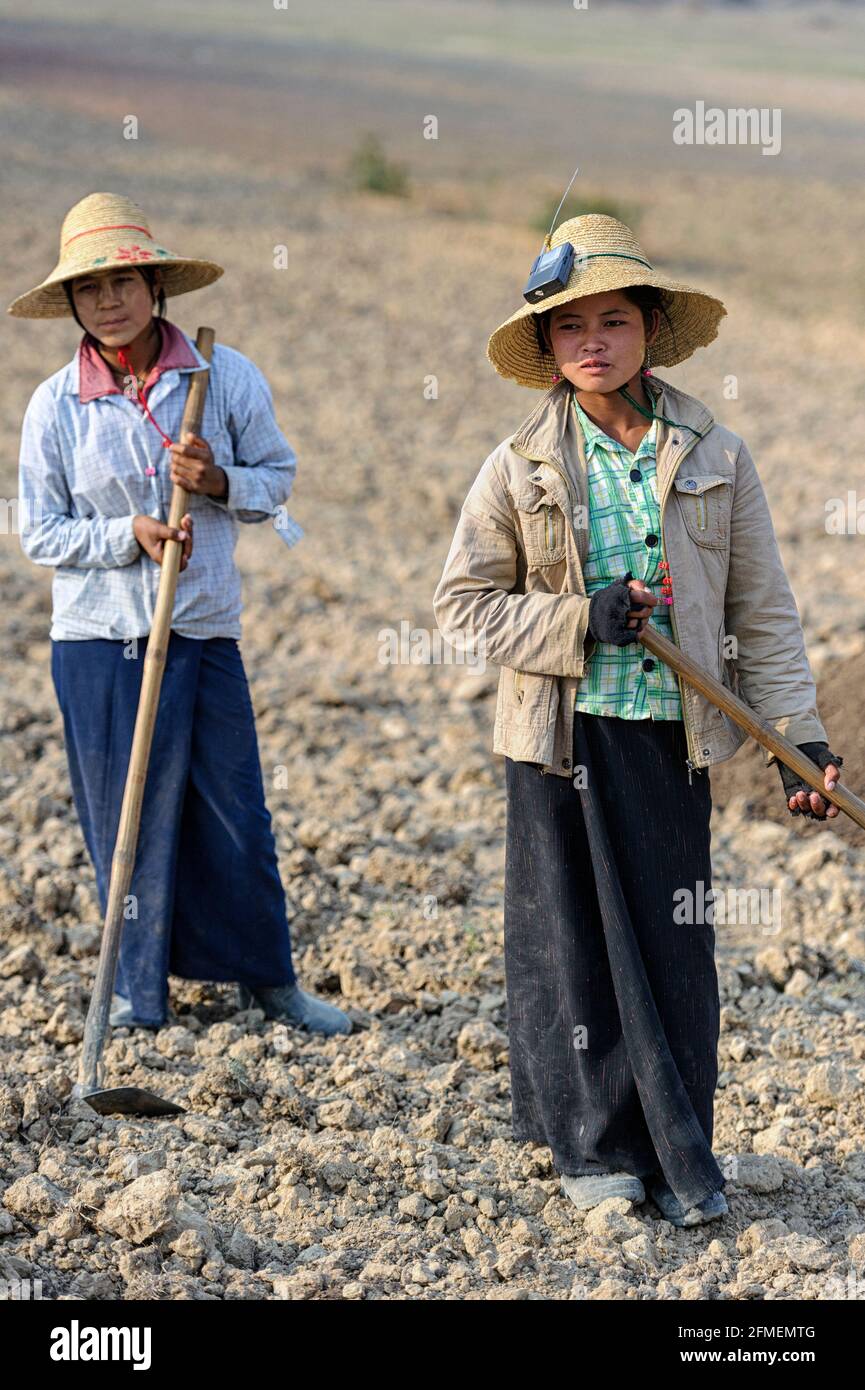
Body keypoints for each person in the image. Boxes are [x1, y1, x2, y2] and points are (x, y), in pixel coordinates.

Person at [432, 213, 843, 1226]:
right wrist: (583, 617)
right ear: (547, 347)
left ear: (650, 329)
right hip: (560, 744)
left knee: (672, 946)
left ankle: (677, 1152)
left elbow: (762, 610)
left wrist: (803, 739)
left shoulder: (713, 453)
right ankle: (592, 1151)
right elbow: (462, 605)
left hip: (671, 739)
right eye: (569, 329)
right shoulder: (518, 466)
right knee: (571, 943)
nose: (592, 344)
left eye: (612, 321)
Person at [10, 191, 351, 1036]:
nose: (109, 301)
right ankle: (136, 991)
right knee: (120, 808)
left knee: (234, 804)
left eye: (123, 281)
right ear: (74, 305)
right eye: (90, 290)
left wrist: (218, 482)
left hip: (199, 626)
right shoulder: (56, 404)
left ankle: (268, 980)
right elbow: (38, 531)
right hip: (96, 638)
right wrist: (128, 534)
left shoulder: (220, 376)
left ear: (155, 284)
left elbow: (278, 476)